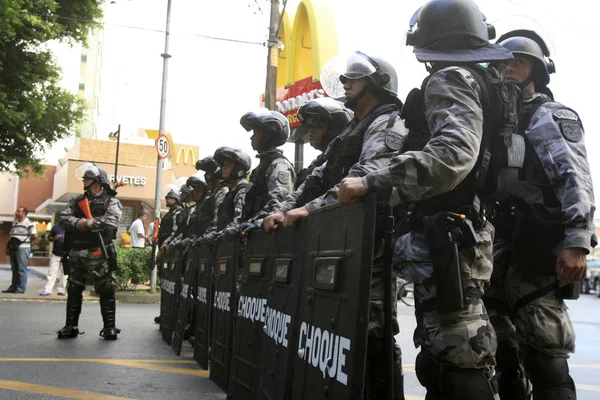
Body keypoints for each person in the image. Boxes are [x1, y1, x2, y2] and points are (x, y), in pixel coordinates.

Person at [337, 1, 520, 398]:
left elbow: (453, 155)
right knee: (445, 354)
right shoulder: (482, 80)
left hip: (450, 237)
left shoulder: (450, 77)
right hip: (459, 233)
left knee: (458, 355)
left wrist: (373, 182)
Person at [265, 50, 407, 399]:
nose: (345, 83)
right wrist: (284, 209)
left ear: (377, 83)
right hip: (340, 244)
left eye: (353, 78)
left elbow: (365, 175)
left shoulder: (388, 121)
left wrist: (310, 211)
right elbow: (312, 180)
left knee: (374, 334)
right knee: (334, 330)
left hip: (371, 246)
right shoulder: (350, 131)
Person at [486, 30, 595, 400]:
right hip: (496, 247)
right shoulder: (494, 118)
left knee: (546, 354)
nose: (509, 69)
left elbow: (574, 176)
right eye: (503, 62)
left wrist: (577, 241)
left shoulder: (549, 114)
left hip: (535, 246)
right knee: (501, 351)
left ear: (537, 70)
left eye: (519, 62)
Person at [58, 163, 122, 340]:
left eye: (87, 178)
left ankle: (109, 327)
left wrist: (88, 224)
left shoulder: (112, 201)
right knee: (74, 289)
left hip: (98, 252)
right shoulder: (77, 200)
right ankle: (71, 326)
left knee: (106, 288)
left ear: (97, 181)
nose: (84, 180)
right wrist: (76, 222)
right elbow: (63, 219)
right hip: (76, 252)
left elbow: (111, 222)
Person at [238, 108, 296, 232]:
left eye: (255, 133)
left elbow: (278, 204)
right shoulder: (259, 169)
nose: (251, 138)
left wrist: (253, 224)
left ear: (267, 134)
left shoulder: (279, 164)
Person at [294, 97, 353, 190]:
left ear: (333, 129)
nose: (311, 131)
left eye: (318, 126)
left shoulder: (344, 163)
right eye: (310, 126)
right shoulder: (319, 163)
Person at [206, 147, 252, 238]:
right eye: (224, 165)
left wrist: (217, 236)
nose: (224, 168)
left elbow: (238, 222)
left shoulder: (243, 191)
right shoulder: (231, 192)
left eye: (229, 165)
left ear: (238, 168)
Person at [2, 207, 38, 294]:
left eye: (19, 211)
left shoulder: (28, 223)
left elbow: (35, 236)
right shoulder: (15, 223)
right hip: (14, 248)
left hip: (23, 248)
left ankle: (21, 288)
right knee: (14, 268)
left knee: (21, 268)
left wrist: (26, 243)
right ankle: (13, 287)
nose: (16, 212)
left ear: (24, 214)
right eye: (17, 211)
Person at [40, 224, 67, 296]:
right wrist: (54, 238)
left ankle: (61, 290)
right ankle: (47, 290)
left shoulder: (71, 227)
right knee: (52, 272)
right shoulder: (56, 227)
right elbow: (49, 238)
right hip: (56, 253)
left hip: (67, 254)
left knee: (65, 273)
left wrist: (68, 240)